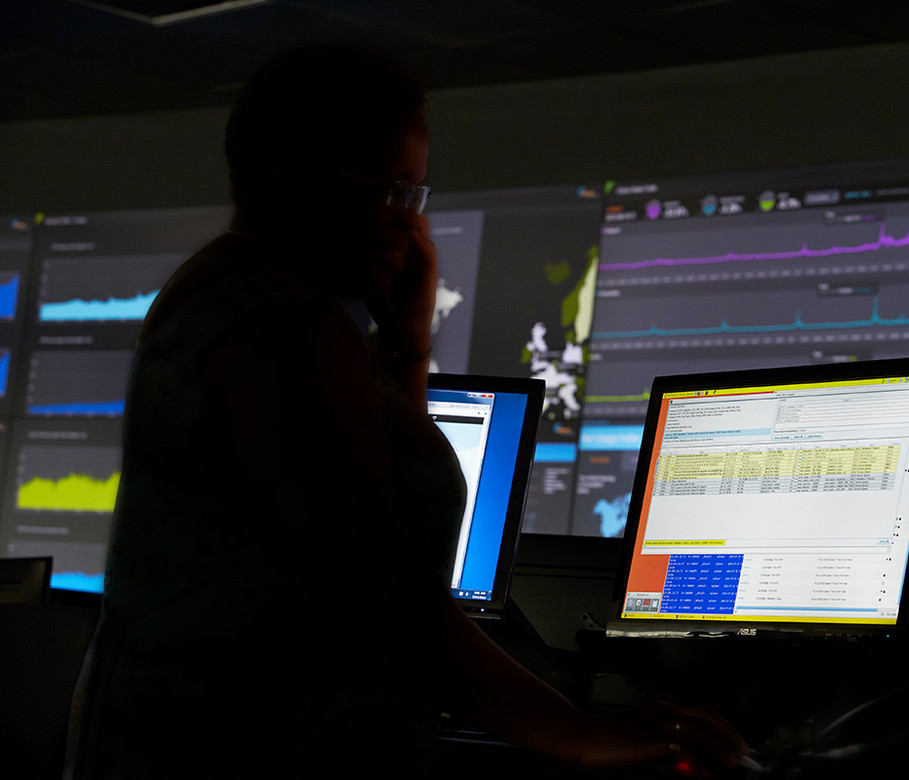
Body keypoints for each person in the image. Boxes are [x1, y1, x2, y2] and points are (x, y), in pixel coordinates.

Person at [67, 45, 747, 779]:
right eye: (389, 191)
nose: (409, 225)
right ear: (293, 181)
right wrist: (582, 735)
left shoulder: (234, 294)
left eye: (416, 194)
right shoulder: (282, 325)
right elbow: (379, 594)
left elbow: (388, 509)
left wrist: (407, 350)